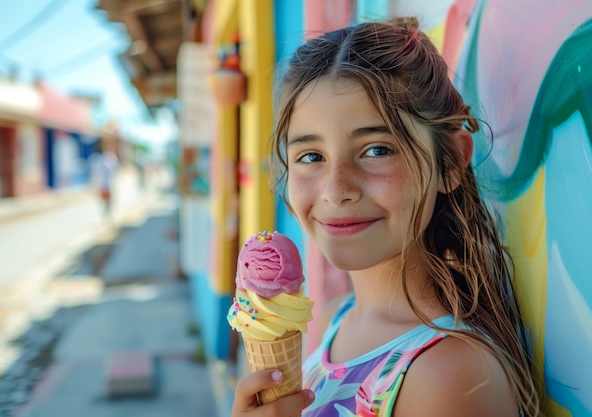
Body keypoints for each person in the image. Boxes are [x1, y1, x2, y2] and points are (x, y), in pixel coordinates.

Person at [231, 17, 544, 417]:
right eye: (311, 157)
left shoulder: (448, 376)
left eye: (377, 150)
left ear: (449, 162)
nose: (336, 189)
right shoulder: (333, 320)